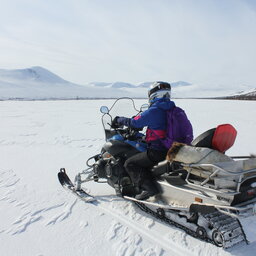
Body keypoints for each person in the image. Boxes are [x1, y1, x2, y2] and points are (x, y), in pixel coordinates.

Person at [111, 81, 176, 200]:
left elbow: (135, 122)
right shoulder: (172, 109)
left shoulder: (155, 110)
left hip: (158, 151)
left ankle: (149, 189)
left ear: (153, 95)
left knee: (130, 163)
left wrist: (119, 120)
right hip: (172, 148)